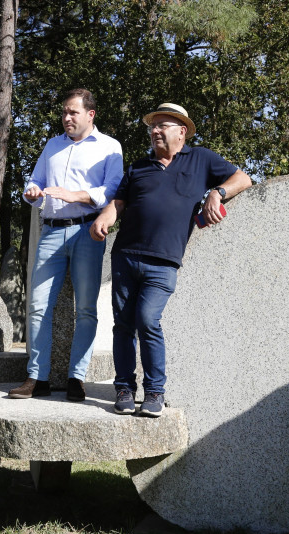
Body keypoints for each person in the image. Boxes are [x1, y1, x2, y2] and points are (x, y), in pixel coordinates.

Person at [90, 102, 252, 417]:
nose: (155, 131)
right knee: (123, 325)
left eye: (163, 126)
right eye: (153, 127)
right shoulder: (138, 167)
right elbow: (118, 202)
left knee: (148, 320)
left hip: (163, 262)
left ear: (182, 132)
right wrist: (105, 217)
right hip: (125, 256)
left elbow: (242, 179)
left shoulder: (202, 159)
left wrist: (217, 192)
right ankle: (124, 388)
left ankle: (154, 392)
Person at [8, 88, 124, 401]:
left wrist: (77, 194)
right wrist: (32, 192)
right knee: (37, 307)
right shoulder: (52, 145)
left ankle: (76, 377)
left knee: (86, 309)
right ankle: (37, 378)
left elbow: (113, 191)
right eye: (64, 112)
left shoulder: (110, 148)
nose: (67, 118)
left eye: (73, 112)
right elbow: (35, 182)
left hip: (87, 232)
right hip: (50, 232)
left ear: (91, 114)